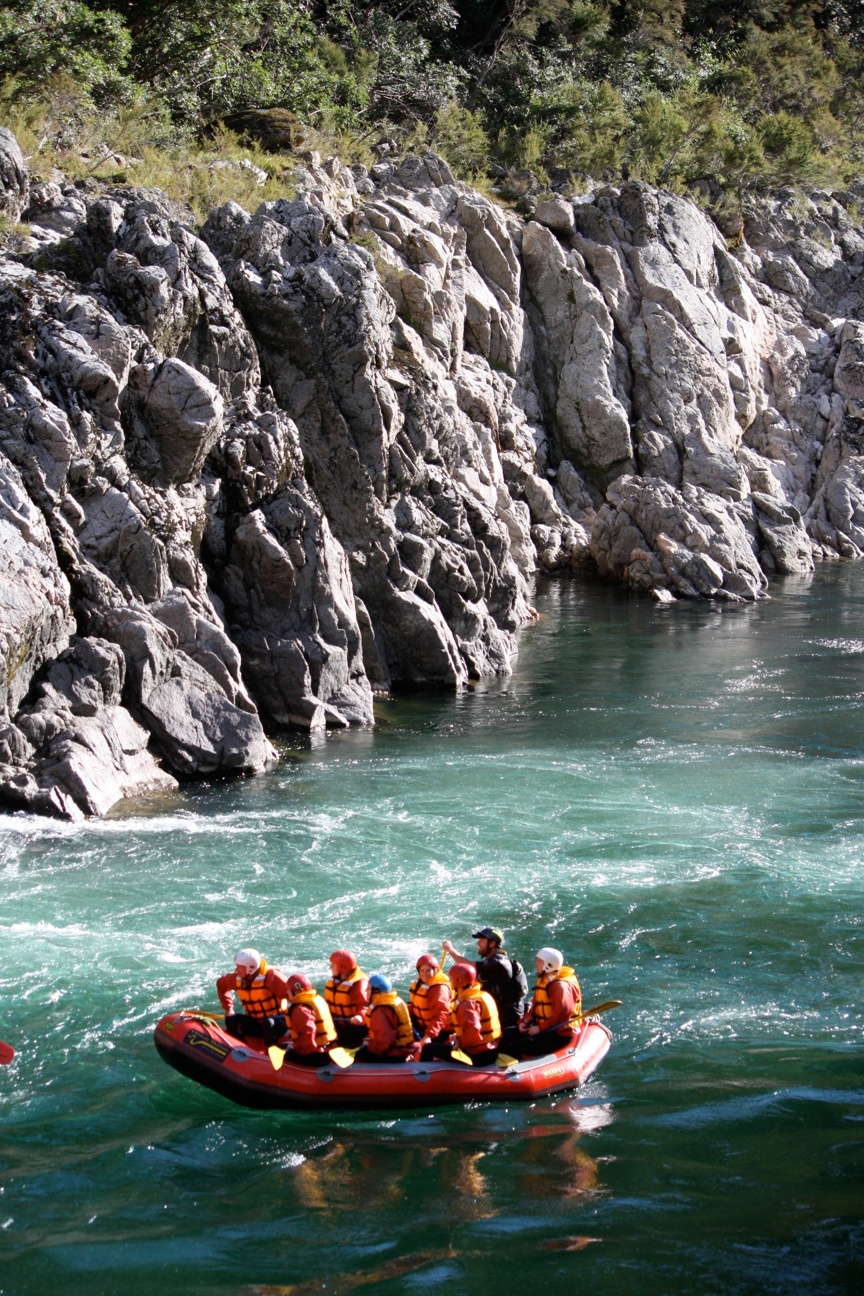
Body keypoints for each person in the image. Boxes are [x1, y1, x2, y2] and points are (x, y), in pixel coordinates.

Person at [502, 947, 582, 1058]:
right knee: (507, 1033)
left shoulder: (560, 987)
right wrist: (524, 1021)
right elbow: (536, 1006)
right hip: (545, 1027)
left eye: (539, 961)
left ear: (548, 965)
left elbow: (561, 1018)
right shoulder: (545, 979)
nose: (536, 964)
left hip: (559, 1034)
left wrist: (539, 1029)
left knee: (517, 1045)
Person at [442, 926, 527, 1030]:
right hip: (497, 1012)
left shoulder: (498, 963)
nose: (478, 943)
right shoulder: (492, 963)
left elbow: (468, 966)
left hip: (508, 1017)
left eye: (482, 940)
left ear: (492, 944)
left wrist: (450, 949)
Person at [421, 962, 501, 1066]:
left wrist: (459, 1041)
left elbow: (474, 1031)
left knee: (428, 1048)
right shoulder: (482, 995)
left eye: (451, 978)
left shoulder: (467, 1004)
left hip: (478, 1056)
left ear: (458, 981)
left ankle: (420, 1077)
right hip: (492, 1050)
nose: (449, 981)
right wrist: (457, 1036)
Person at [216, 947, 290, 1045]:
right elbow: (221, 985)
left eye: (239, 967)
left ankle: (272, 1050)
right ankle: (239, 1048)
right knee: (231, 1019)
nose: (236, 970)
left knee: (268, 1022)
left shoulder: (272, 977)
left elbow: (296, 996)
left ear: (250, 969)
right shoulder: (236, 978)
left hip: (277, 1025)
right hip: (255, 1023)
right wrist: (228, 1009)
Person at [353, 974, 418, 1063]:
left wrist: (370, 1045)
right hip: (400, 1048)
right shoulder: (392, 1000)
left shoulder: (381, 1010)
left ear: (376, 991)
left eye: (368, 988)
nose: (365, 990)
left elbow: (384, 1043)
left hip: (395, 1053)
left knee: (357, 1054)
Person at [282, 973, 338, 1067]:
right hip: (328, 1049)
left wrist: (299, 1050)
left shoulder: (300, 1008)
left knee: (280, 1053)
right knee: (284, 1046)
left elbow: (309, 1032)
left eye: (288, 990)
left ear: (295, 992)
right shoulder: (317, 999)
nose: (287, 992)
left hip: (316, 1055)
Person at [324, 949, 370, 1047]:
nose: (330, 967)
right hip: (338, 1022)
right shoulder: (336, 981)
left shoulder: (358, 983)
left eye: (333, 965)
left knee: (347, 1033)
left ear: (343, 968)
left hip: (355, 1025)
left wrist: (360, 1016)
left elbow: (364, 1006)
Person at [408, 954, 452, 1045]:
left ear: (435, 970)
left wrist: (428, 1035)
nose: (424, 974)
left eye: (428, 971)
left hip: (441, 1030)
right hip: (423, 1024)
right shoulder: (421, 982)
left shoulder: (440, 989)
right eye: (422, 970)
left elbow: (440, 1016)